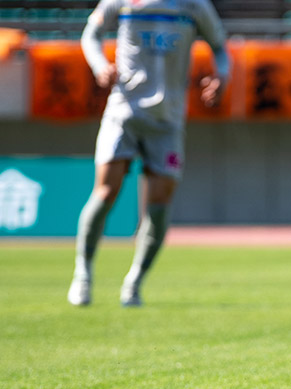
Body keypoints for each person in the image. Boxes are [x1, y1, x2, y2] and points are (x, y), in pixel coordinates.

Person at [67, 0, 229, 307]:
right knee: (105, 191)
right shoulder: (122, 2)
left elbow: (220, 46)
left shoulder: (194, 5)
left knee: (159, 203)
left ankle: (135, 281)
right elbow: (91, 33)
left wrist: (222, 75)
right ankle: (83, 273)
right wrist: (100, 66)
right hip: (124, 112)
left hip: (168, 120)